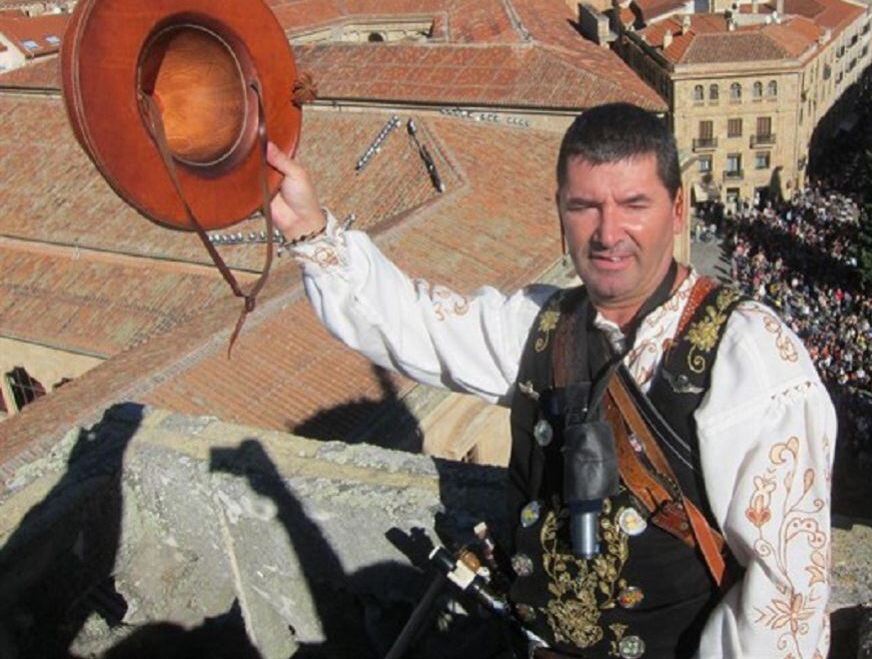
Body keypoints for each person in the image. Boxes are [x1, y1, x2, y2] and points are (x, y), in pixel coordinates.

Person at [268, 103, 836, 658]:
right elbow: (415, 326)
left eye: (634, 204)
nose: (609, 232)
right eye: (585, 206)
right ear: (559, 211)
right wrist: (310, 230)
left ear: (679, 209)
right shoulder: (544, 326)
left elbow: (786, 596)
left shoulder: (749, 356)